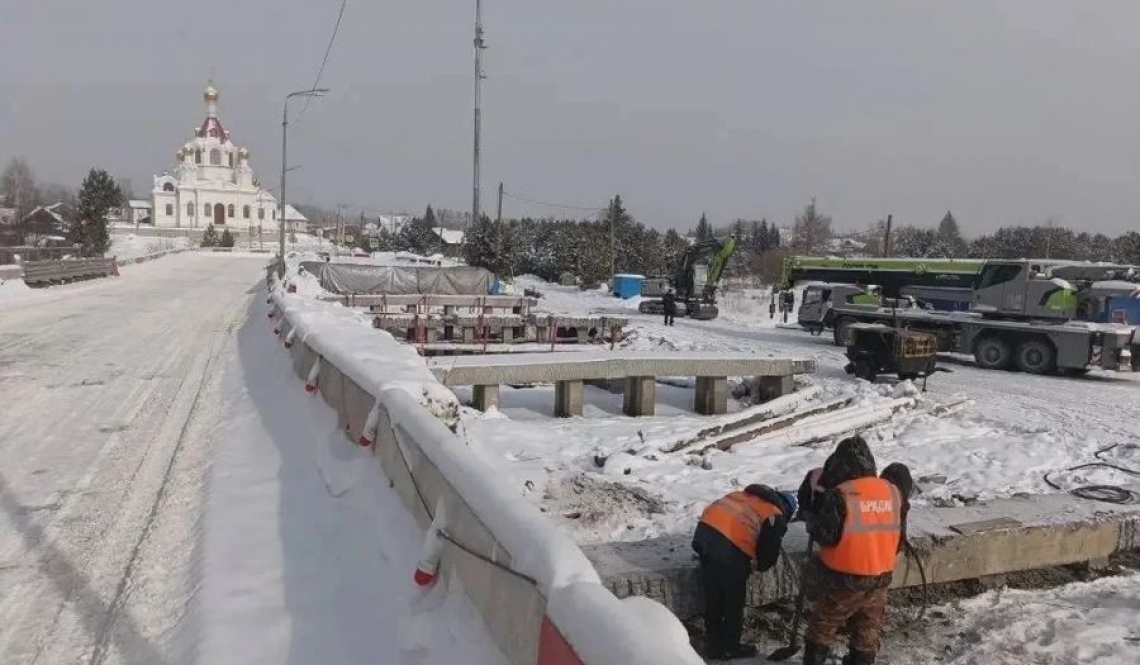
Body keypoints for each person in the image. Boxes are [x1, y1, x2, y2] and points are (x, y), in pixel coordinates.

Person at [803, 436, 904, 665]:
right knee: (868, 629)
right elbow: (898, 534)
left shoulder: (841, 493)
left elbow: (826, 536)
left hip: (844, 579)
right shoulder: (891, 491)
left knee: (823, 626)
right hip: (880, 576)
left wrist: (812, 521)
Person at [692, 485, 797, 660]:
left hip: (705, 536)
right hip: (728, 548)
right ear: (787, 510)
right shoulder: (774, 514)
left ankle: (713, 645)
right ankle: (730, 647)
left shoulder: (744, 495)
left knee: (714, 597)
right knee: (733, 602)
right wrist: (757, 565)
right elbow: (767, 556)